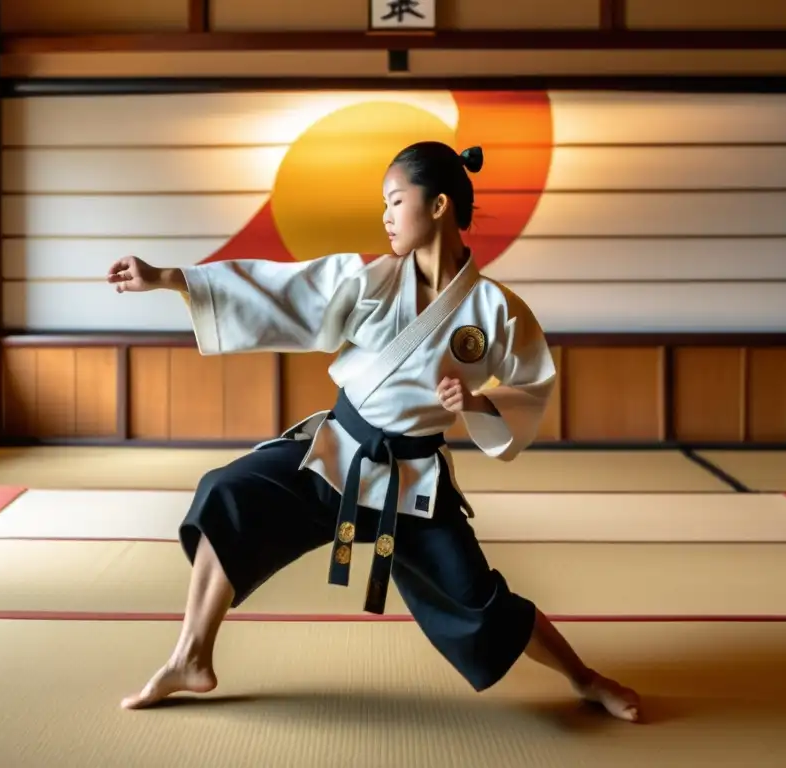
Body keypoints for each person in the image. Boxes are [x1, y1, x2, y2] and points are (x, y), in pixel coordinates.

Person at [106, 141, 640, 722]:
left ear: (438, 205)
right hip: (338, 452)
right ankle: (191, 656)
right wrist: (170, 278)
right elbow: (281, 291)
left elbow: (532, 389)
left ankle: (584, 679)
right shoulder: (369, 279)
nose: (385, 217)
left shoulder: (497, 310)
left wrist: (478, 403)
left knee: (482, 601)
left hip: (413, 481)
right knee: (228, 492)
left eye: (395, 201)